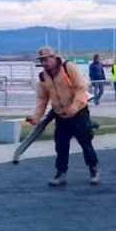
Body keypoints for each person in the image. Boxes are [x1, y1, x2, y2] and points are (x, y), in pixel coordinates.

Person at [28, 45, 99, 187]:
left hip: (79, 112)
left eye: (46, 59)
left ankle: (93, 169)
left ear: (54, 57)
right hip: (60, 115)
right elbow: (42, 99)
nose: (43, 63)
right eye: (41, 60)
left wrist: (74, 106)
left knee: (85, 142)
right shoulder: (43, 76)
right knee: (61, 145)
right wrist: (36, 117)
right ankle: (61, 173)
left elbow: (81, 87)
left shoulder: (68, 67)